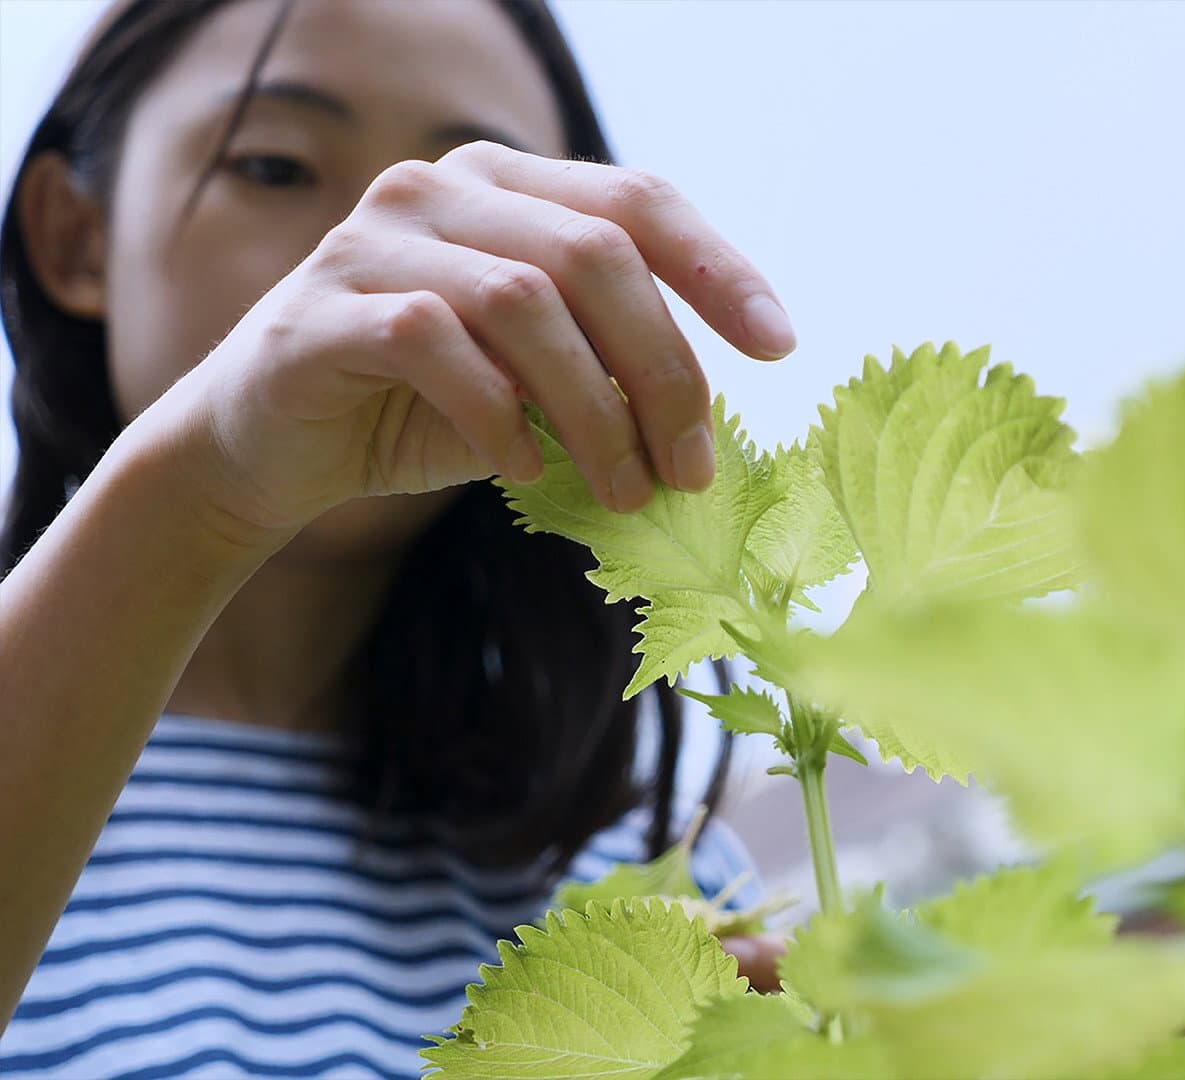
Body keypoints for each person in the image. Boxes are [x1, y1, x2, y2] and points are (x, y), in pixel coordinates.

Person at [0, 0, 795, 1073]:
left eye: (475, 209)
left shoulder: (649, 877)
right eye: (276, 167)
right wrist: (200, 481)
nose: (381, 245)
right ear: (73, 236)